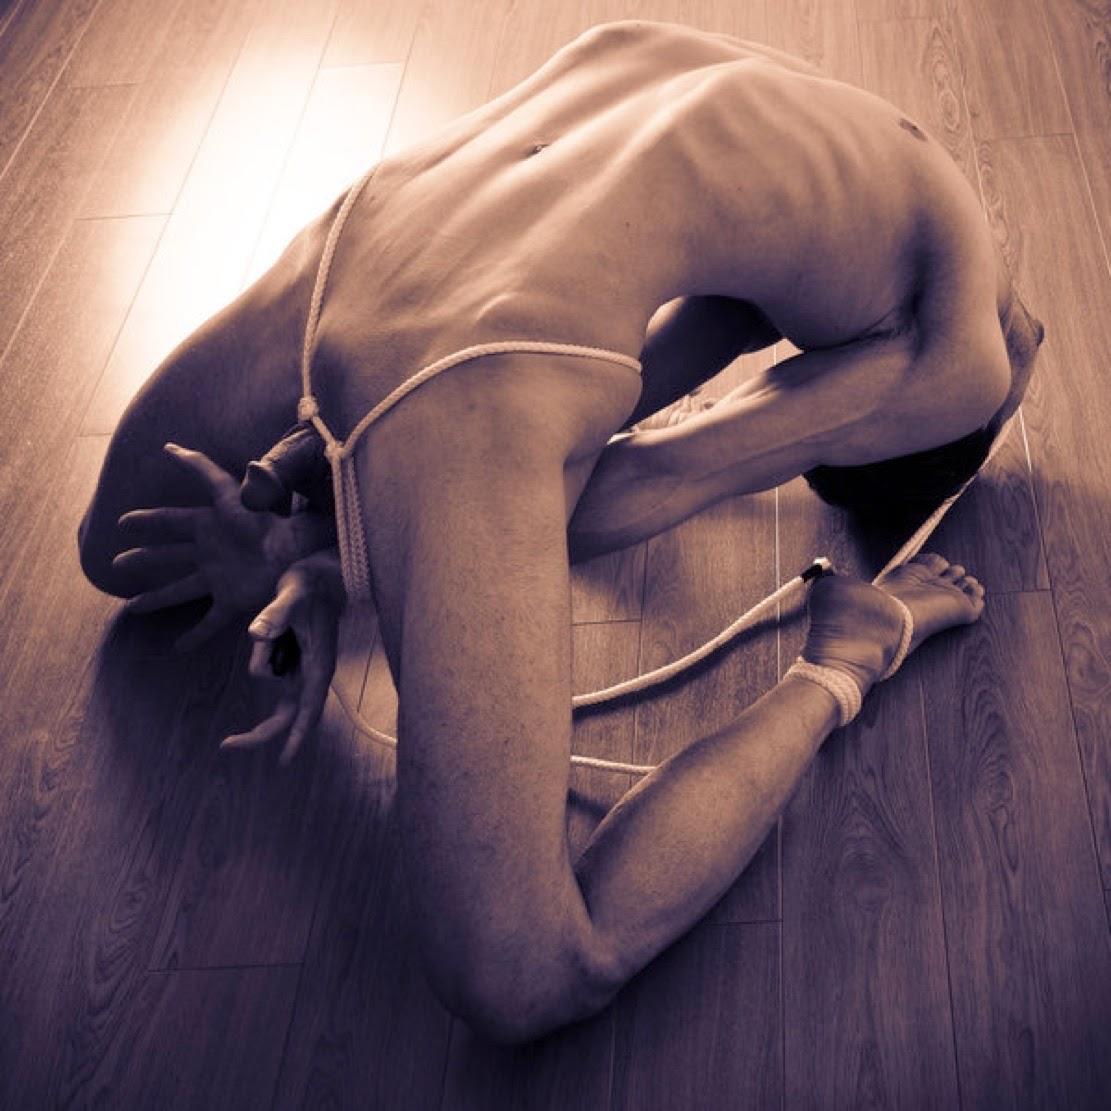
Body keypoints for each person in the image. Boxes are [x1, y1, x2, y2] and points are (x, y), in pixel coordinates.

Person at [76, 20, 1044, 1043]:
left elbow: (672, 355)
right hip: (468, 361)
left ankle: (328, 465)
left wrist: (324, 517)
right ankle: (844, 659)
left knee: (119, 554)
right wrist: (328, 553)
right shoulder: (955, 368)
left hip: (375, 232)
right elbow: (648, 478)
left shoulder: (847, 140)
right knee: (525, 973)